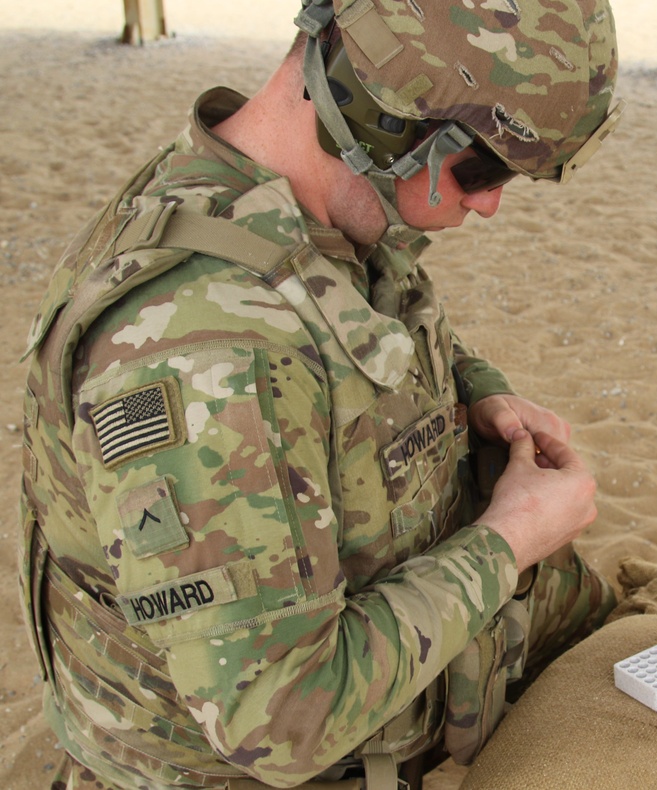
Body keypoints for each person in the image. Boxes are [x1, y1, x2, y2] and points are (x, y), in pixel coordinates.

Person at [18, 1, 624, 787]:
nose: (489, 203)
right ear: (381, 118)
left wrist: (478, 391)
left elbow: (360, 318)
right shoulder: (206, 352)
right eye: (482, 169)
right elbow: (278, 718)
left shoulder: (292, 199)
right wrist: (507, 543)